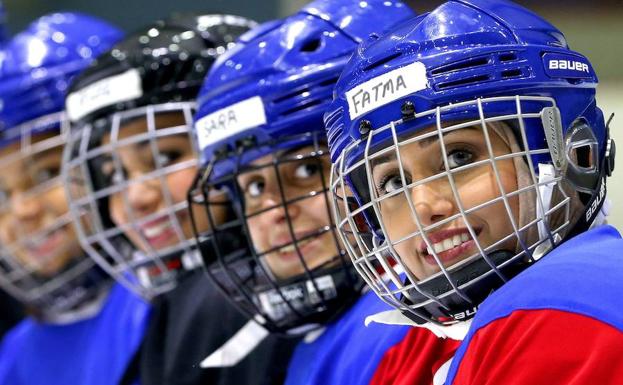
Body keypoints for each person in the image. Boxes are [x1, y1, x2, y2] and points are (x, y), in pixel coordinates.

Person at [326, 0, 620, 383]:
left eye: (459, 157)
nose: (425, 206)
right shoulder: (462, 337)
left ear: (574, 152)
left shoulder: (561, 307)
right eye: (394, 183)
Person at [189, 1, 461, 384]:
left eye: (305, 169)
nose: (274, 211)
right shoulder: (305, 337)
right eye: (253, 185)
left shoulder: (422, 332)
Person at [62, 13, 298, 385]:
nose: (137, 197)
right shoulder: (175, 306)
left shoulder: (235, 302)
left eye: (165, 158)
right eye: (115, 174)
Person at [0, 12, 151, 385]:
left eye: (49, 173)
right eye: (1, 193)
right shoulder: (14, 356)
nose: (24, 209)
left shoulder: (173, 309)